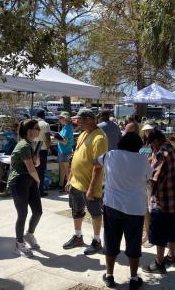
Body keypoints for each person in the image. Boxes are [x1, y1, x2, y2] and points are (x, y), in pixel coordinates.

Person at [94, 132, 152, 289]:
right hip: (135, 207)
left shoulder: (111, 155)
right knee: (133, 243)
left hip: (112, 205)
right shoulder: (142, 159)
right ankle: (133, 278)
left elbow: (96, 162)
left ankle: (110, 275)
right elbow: (149, 178)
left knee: (111, 239)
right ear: (138, 146)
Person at [143, 129, 175, 275]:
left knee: (158, 234)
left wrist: (143, 178)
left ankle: (159, 263)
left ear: (156, 141)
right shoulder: (174, 148)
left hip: (164, 201)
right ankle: (171, 256)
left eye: (151, 145)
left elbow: (154, 179)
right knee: (172, 230)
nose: (151, 148)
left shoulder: (161, 153)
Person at [63, 109, 108, 255]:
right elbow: (75, 156)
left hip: (90, 185)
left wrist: (91, 188)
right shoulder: (83, 133)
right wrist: (70, 178)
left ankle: (96, 240)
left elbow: (98, 166)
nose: (77, 122)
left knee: (95, 213)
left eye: (80, 120)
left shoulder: (99, 138)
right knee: (76, 210)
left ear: (89, 119)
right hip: (76, 182)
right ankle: (77, 236)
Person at [7, 119, 43, 258]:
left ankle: (29, 234)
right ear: (29, 130)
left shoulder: (30, 145)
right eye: (36, 128)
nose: (38, 130)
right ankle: (19, 243)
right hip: (19, 181)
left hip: (30, 181)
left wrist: (36, 157)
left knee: (38, 212)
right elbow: (31, 169)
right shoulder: (23, 145)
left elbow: (36, 164)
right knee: (22, 214)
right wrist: (38, 180)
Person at [56, 111, 74, 193]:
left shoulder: (67, 128)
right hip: (63, 151)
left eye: (61, 118)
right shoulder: (66, 127)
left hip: (65, 151)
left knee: (66, 170)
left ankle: (68, 187)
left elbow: (64, 142)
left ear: (65, 119)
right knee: (64, 169)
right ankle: (64, 186)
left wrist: (56, 138)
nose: (60, 120)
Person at [35, 109, 51, 197]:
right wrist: (49, 148)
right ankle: (40, 190)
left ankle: (33, 189)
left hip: (33, 149)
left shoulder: (32, 123)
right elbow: (47, 138)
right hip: (42, 149)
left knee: (33, 170)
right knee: (41, 171)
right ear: (44, 116)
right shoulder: (45, 124)